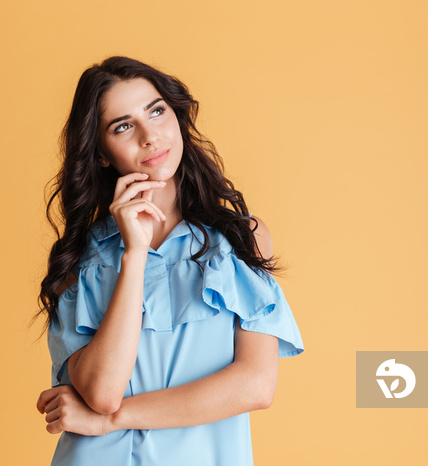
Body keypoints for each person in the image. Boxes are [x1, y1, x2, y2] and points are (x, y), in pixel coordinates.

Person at [34, 56, 304, 465]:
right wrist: (135, 255)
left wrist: (111, 420)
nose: (149, 136)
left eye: (156, 111)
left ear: (176, 117)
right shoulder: (80, 259)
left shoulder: (240, 239)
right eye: (123, 126)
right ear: (102, 153)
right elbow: (102, 392)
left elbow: (255, 386)